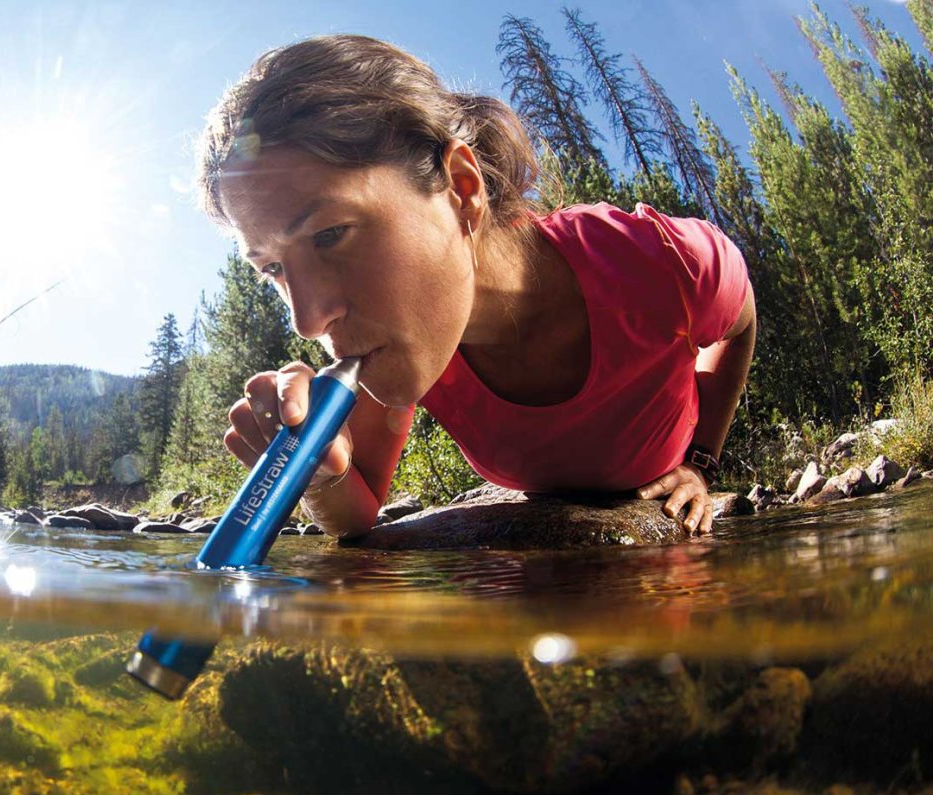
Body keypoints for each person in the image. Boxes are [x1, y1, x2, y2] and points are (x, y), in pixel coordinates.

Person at [198, 35, 756, 540]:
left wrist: (702, 462)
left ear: (462, 188)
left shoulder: (657, 261)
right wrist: (321, 473)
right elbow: (359, 509)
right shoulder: (403, 341)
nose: (309, 320)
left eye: (329, 234)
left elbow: (741, 320)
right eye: (272, 268)